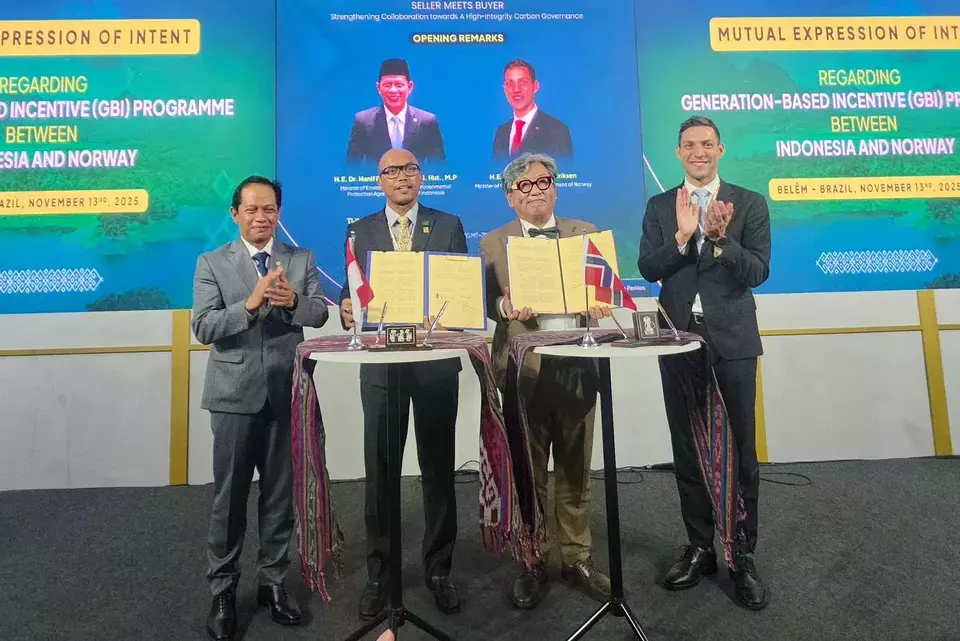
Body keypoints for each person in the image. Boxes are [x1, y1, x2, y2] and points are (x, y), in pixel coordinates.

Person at [637, 115, 771, 610]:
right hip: (678, 339)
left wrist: (719, 239)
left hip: (733, 340)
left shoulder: (748, 203)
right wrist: (681, 236)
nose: (699, 151)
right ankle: (700, 547)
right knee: (687, 448)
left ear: (720, 149)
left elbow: (758, 271)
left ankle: (742, 554)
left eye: (707, 144)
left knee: (741, 449)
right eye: (689, 144)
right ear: (678, 152)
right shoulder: (659, 206)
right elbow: (648, 266)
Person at [192, 176, 330, 640]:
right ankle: (223, 591)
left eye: (269, 209)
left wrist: (293, 302)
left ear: (278, 213)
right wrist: (250, 305)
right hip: (233, 396)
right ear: (235, 214)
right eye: (251, 209)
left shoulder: (300, 259)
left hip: (287, 392)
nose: (260, 217)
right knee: (229, 499)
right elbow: (204, 327)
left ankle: (273, 582)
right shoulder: (212, 262)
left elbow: (319, 313)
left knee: (279, 497)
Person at [339, 148, 466, 620]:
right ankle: (381, 575)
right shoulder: (359, 230)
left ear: (421, 176)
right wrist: (346, 308)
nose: (402, 177)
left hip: (434, 366)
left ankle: (439, 570)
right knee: (380, 474)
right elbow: (350, 292)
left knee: (438, 471)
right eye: (391, 171)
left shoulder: (448, 225)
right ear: (379, 181)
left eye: (410, 169)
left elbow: (460, 290)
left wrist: (455, 309)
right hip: (381, 367)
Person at [480, 152, 611, 610]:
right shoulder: (493, 242)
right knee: (527, 472)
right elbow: (486, 302)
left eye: (543, 182)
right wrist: (505, 307)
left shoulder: (586, 233)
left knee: (575, 469)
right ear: (510, 197)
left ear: (555, 188)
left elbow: (606, 289)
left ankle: (577, 558)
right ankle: (532, 560)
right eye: (524, 186)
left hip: (577, 367)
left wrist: (603, 300)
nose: (535, 191)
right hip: (525, 371)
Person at [347, 58, 445, 164]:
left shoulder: (427, 121)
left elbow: (438, 166)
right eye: (387, 85)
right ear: (378, 87)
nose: (393, 90)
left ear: (410, 87)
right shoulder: (363, 121)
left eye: (399, 85)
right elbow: (352, 166)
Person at [493, 60, 572, 160]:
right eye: (510, 83)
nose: (516, 89)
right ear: (505, 89)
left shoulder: (556, 130)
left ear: (535, 86)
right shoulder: (502, 132)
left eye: (523, 82)